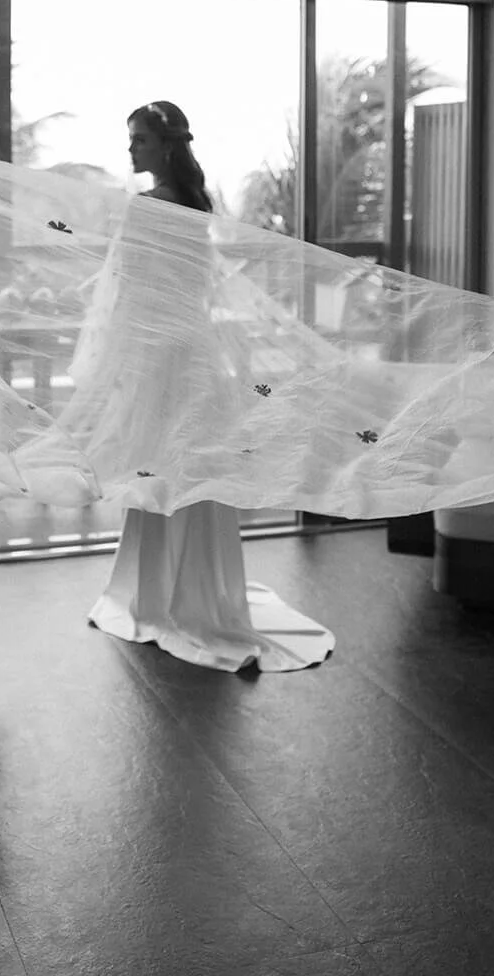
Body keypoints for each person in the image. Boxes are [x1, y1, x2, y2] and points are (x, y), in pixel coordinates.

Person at [84, 100, 336, 673]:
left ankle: (155, 595)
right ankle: (203, 592)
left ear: (165, 146)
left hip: (159, 355)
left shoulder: (147, 208)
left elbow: (130, 290)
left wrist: (118, 357)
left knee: (162, 470)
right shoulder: (197, 205)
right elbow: (191, 288)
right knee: (193, 471)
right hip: (194, 351)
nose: (130, 150)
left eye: (139, 140)